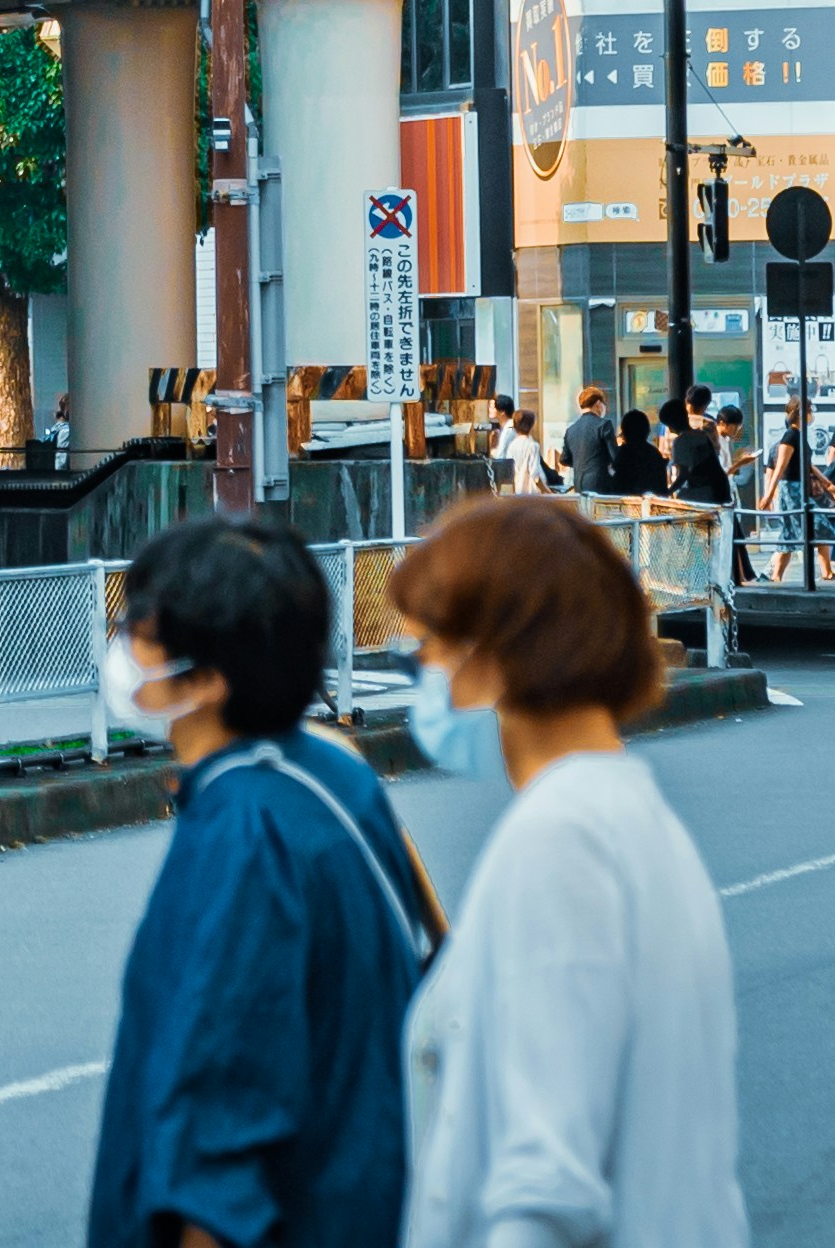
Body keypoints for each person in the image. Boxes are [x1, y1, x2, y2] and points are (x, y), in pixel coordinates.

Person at [386, 495, 745, 1248]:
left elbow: (545, 1188)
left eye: (424, 650)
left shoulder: (560, 840)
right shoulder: (630, 816)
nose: (419, 676)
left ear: (490, 652)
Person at [88, 519, 433, 1248]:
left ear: (209, 678)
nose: (121, 646)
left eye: (137, 630)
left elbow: (218, 1148)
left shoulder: (244, 835)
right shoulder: (331, 771)